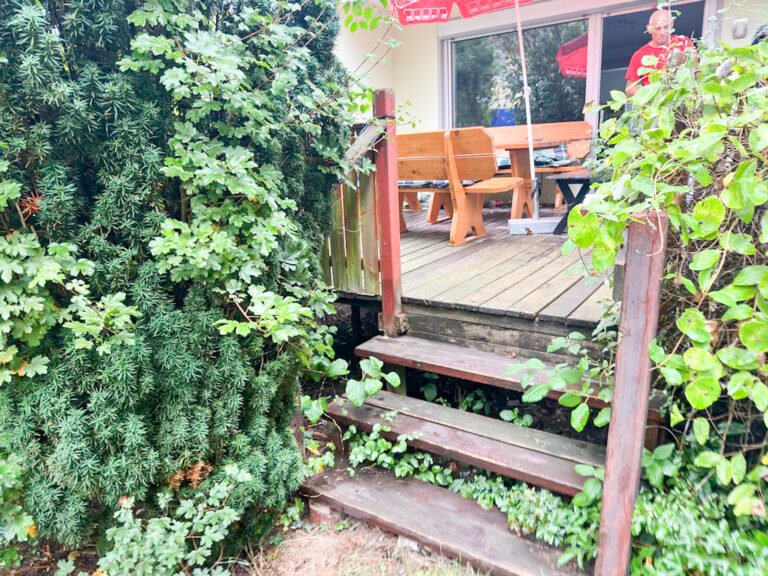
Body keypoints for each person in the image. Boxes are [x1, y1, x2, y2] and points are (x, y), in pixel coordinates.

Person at [625, 9, 695, 97]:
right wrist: (648, 98)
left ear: (672, 24)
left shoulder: (683, 42)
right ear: (649, 29)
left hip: (682, 100)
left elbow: (695, 71)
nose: (662, 32)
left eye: (666, 27)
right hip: (655, 106)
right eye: (658, 28)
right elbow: (630, 88)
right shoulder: (639, 55)